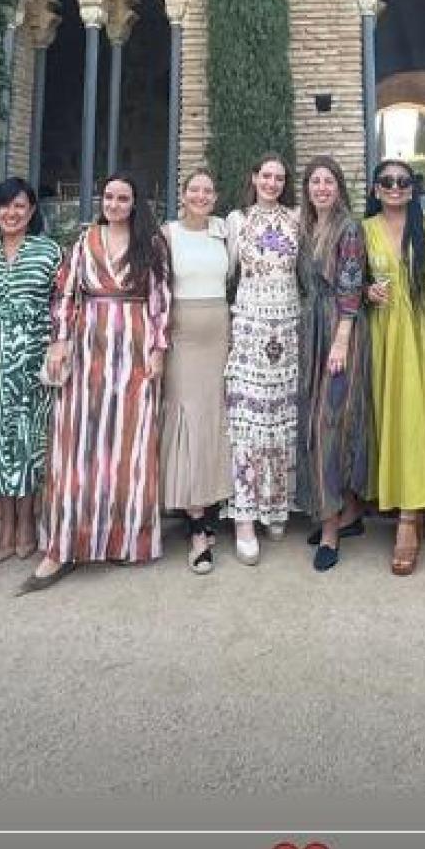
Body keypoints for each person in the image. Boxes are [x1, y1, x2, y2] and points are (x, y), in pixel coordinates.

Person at [21, 173, 170, 591]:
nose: (115, 204)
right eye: (109, 197)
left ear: (135, 203)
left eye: (123, 198)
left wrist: (158, 348)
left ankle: (124, 539)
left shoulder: (152, 243)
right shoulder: (84, 241)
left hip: (135, 350)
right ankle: (66, 543)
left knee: (129, 446)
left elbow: (161, 298)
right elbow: (65, 294)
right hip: (89, 352)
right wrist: (59, 341)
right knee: (79, 446)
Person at [363, 159, 425, 575]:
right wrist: (366, 290)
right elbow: (350, 280)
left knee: (423, 417)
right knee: (396, 418)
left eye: (403, 181)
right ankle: (411, 508)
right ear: (376, 189)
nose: (396, 187)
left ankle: (409, 518)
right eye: (387, 181)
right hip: (386, 331)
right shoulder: (363, 230)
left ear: (413, 188)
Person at [0, 177, 61, 563]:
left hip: (34, 355)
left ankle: (27, 519)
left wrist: (58, 346)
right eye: (5, 206)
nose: (12, 213)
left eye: (20, 206)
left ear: (32, 211)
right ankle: (5, 521)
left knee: (30, 438)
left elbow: (63, 303)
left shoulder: (49, 251)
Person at [223, 153, 300, 564]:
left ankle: (276, 504)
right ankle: (245, 516)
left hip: (287, 328)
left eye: (278, 178)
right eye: (266, 176)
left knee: (281, 418)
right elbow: (224, 273)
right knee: (247, 420)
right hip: (250, 328)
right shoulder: (237, 220)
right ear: (253, 178)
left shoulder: (297, 219)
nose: (272, 183)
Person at [296, 156, 371, 572]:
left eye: (329, 181)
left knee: (329, 425)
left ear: (339, 188)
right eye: (315, 182)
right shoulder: (307, 228)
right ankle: (350, 512)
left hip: (341, 331)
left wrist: (340, 340)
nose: (322, 188)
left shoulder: (349, 229)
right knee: (322, 421)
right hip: (312, 330)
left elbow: (351, 286)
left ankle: (329, 531)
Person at [160, 167, 233, 574]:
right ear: (183, 194)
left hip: (220, 333)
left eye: (208, 190)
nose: (201, 196)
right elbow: (156, 288)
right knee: (187, 421)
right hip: (182, 337)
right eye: (194, 190)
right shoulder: (167, 234)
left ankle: (212, 505)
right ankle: (197, 528)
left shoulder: (224, 231)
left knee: (214, 420)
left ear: (215, 197)